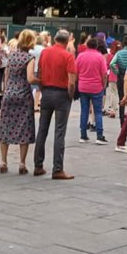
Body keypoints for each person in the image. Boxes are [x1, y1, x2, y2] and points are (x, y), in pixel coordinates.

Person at [32, 30, 78, 179]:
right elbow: (71, 81)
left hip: (47, 92)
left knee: (42, 130)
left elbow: (38, 73)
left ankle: (38, 165)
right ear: (67, 41)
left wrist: (43, 89)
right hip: (61, 94)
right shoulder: (68, 56)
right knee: (60, 132)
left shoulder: (45, 52)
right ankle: (57, 168)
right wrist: (70, 95)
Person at [0, 29, 37, 174]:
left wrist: (6, 90)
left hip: (9, 94)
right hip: (24, 95)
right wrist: (41, 80)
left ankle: (3, 161)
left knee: (5, 126)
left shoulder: (12, 56)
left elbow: (6, 76)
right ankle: (22, 163)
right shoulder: (30, 58)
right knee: (24, 127)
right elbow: (30, 78)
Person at [76, 36, 109, 144]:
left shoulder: (80, 56)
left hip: (83, 86)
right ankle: (99, 136)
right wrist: (104, 85)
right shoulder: (99, 57)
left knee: (84, 110)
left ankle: (83, 135)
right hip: (96, 87)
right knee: (98, 111)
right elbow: (104, 74)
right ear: (97, 46)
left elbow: (76, 71)